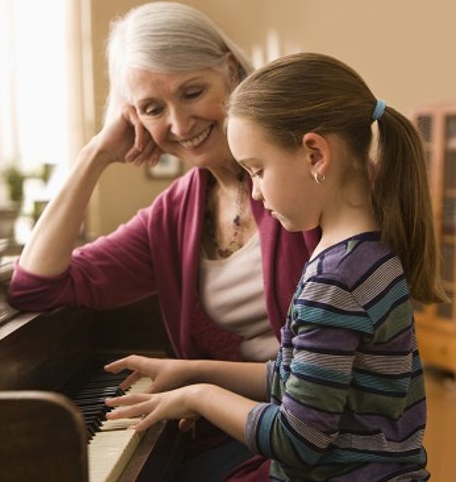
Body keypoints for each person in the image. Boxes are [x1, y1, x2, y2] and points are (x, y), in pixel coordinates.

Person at [8, 2, 317, 480]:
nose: (178, 125)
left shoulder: (302, 172)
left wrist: (195, 385)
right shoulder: (173, 214)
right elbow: (36, 285)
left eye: (192, 92)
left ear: (230, 71)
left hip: (317, 435)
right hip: (235, 434)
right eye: (153, 109)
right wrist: (95, 154)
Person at [104, 51, 446, 481]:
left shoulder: (334, 281)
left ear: (315, 155)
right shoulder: (366, 254)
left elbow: (298, 440)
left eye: (258, 171)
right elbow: (299, 377)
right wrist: (191, 370)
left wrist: (200, 397)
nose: (257, 195)